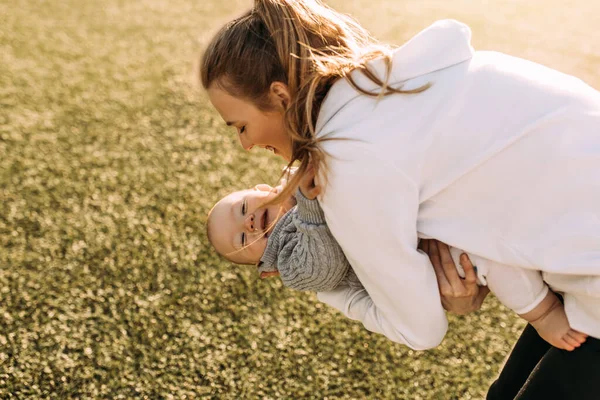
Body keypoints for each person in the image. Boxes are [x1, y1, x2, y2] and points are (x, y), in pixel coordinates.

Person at [200, 1, 600, 398]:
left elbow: (420, 329)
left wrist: (333, 291)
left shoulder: (346, 163)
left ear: (281, 96)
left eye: (240, 126)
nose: (247, 144)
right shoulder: (398, 76)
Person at [207, 166, 588, 351]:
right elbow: (323, 263)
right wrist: (307, 200)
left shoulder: (297, 175)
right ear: (266, 270)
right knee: (490, 259)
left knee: (500, 231)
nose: (249, 222)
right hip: (423, 266)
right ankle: (542, 314)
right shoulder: (291, 263)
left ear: (259, 189)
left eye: (242, 207)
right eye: (242, 238)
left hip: (426, 223)